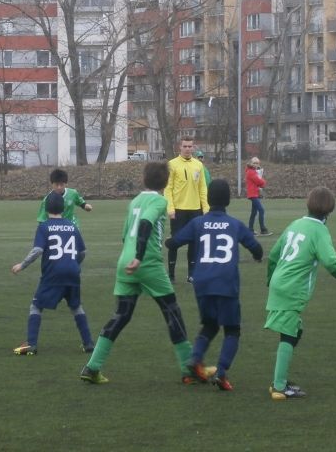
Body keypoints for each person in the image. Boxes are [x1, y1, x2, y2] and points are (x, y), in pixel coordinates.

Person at [80, 162, 196, 385]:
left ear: (144, 180)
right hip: (147, 263)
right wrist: (140, 257)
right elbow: (145, 223)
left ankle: (92, 367)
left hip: (125, 262)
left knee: (121, 315)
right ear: (166, 183)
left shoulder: (134, 201)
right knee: (172, 313)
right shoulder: (159, 201)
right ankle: (187, 368)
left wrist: (132, 257)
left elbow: (125, 235)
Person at [265, 186, 336, 400]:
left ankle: (280, 380)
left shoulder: (296, 224)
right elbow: (332, 263)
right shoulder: (319, 230)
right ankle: (279, 386)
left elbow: (273, 255)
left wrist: (271, 281)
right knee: (289, 334)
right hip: (292, 287)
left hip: (280, 282)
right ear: (330, 209)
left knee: (295, 330)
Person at [165, 179, 264, 391]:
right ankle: (221, 372)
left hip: (202, 282)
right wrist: (257, 255)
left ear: (208, 199)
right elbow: (255, 247)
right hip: (226, 282)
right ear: (228, 200)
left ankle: (195, 358)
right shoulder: (235, 224)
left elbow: (175, 242)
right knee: (232, 329)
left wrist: (167, 241)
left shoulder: (198, 223)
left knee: (209, 325)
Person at [12, 192, 94, 355]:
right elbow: (83, 252)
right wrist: (73, 264)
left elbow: (37, 250)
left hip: (53, 274)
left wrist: (22, 265)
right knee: (76, 306)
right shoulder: (72, 226)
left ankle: (31, 344)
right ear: (63, 208)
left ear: (46, 208)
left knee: (36, 306)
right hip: (73, 273)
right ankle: (88, 343)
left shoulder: (44, 227)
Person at [165, 138, 209, 282]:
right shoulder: (172, 164)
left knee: (194, 242)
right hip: (178, 210)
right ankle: (171, 275)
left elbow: (202, 188)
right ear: (180, 147)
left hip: (195, 210)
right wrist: (170, 208)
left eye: (190, 146)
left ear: (193, 147)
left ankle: (191, 275)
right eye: (185, 146)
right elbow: (168, 188)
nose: (188, 149)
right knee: (175, 242)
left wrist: (206, 208)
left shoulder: (198, 165)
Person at [246, 157, 272, 236]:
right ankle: (263, 230)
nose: (256, 164)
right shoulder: (251, 172)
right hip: (253, 194)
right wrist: (263, 181)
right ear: (251, 163)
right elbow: (259, 182)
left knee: (254, 213)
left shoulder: (252, 171)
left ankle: (250, 230)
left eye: (257, 163)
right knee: (261, 210)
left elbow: (258, 182)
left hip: (254, 194)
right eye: (254, 163)